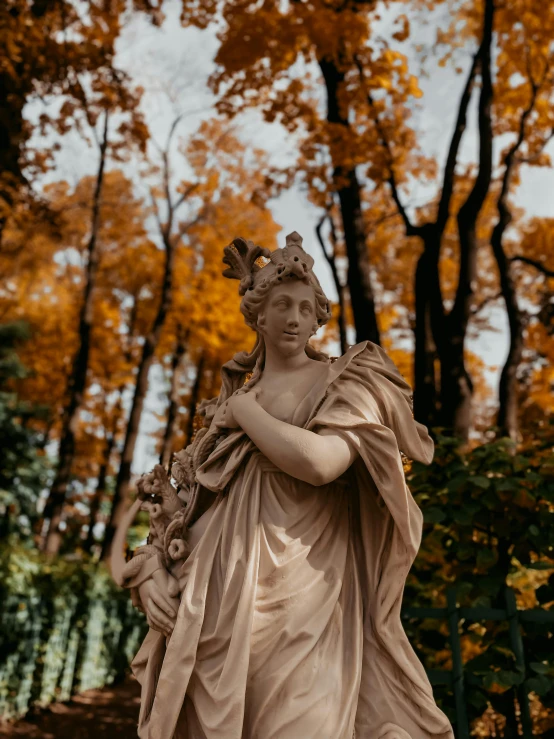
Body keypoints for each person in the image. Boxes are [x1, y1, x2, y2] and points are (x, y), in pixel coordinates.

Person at [112, 231, 454, 739]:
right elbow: (169, 510)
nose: (293, 317)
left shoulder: (346, 380)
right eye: (280, 304)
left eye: (304, 306)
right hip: (217, 603)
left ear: (319, 317)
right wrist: (146, 570)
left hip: (307, 593)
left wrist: (246, 410)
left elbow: (320, 464)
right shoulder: (221, 412)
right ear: (258, 315)